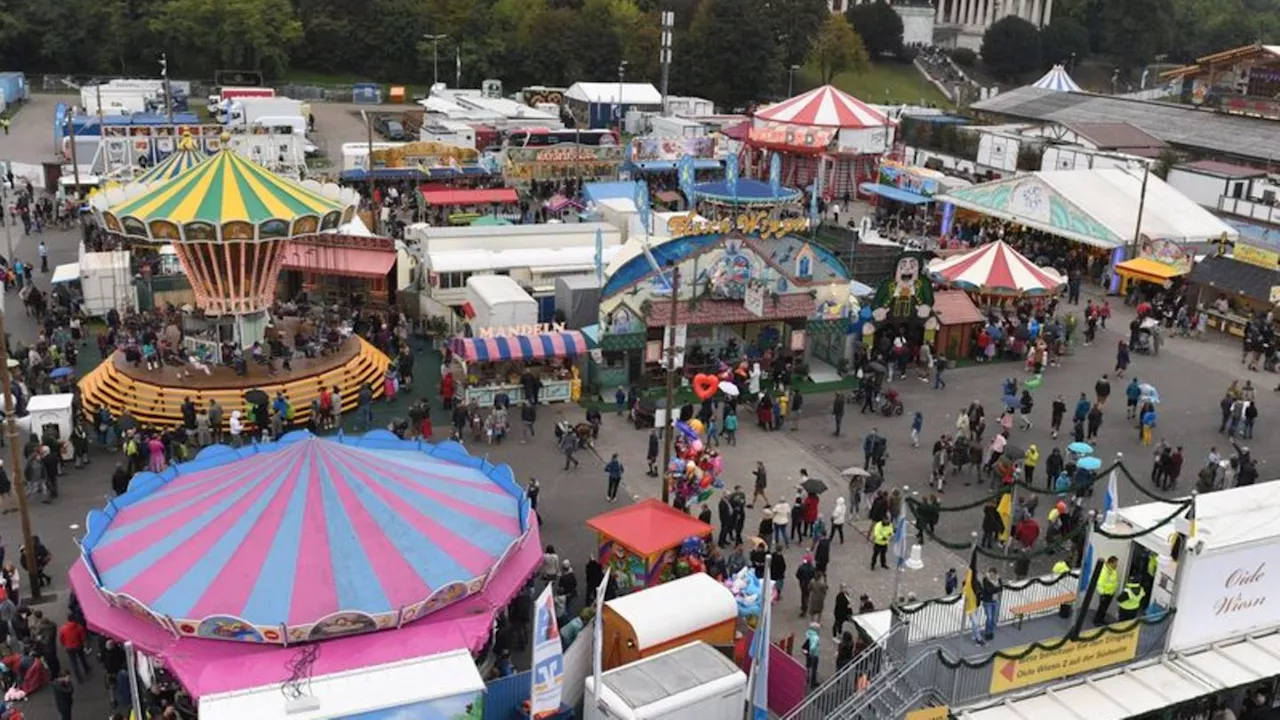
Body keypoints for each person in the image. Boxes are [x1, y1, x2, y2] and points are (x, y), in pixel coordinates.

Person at [59, 616, 90, 682]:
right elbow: (83, 638)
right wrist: (85, 646)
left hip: (69, 647)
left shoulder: (63, 628)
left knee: (74, 663)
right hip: (78, 646)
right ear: (74, 619)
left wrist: (65, 644)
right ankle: (86, 668)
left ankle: (79, 678)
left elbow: (61, 638)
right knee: (82, 658)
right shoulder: (79, 627)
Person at [1094, 556, 1120, 624]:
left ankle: (1101, 619)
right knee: (1101, 608)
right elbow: (1099, 583)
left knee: (1104, 608)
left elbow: (1114, 582)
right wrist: (1102, 593)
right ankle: (1097, 621)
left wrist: (1114, 590)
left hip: (1110, 593)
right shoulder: (1104, 572)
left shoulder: (1114, 571)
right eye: (1115, 563)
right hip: (1104, 594)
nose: (1117, 565)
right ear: (1111, 563)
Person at [803, 622, 821, 688]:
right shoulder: (816, 637)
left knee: (808, 666)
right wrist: (812, 652)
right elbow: (813, 647)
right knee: (814, 669)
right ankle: (813, 683)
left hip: (808, 654)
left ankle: (807, 679)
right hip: (814, 655)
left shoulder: (808, 633)